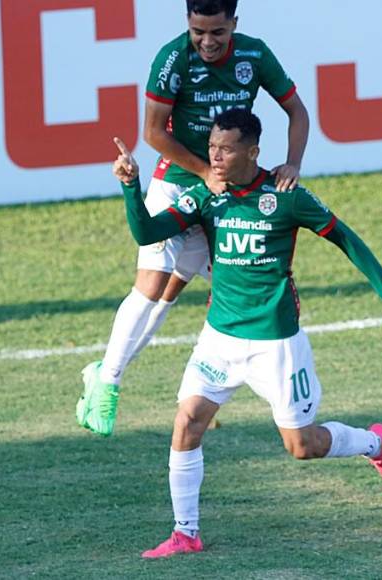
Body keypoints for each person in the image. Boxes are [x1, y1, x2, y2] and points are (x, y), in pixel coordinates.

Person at [112, 108, 382, 558]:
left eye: (226, 149)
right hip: (220, 338)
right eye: (212, 146)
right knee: (187, 422)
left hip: (276, 344)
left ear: (252, 151)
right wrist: (130, 186)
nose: (214, 156)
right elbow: (147, 231)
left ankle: (375, 443)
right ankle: (186, 532)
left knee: (302, 446)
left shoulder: (286, 195)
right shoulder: (206, 195)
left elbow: (345, 237)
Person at [76, 0, 310, 437]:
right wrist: (205, 171)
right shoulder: (171, 58)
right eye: (197, 31)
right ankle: (108, 383)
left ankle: (123, 374)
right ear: (188, 23)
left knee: (172, 293)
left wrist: (292, 163)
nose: (206, 41)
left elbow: (297, 111)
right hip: (179, 182)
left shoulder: (255, 55)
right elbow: (152, 132)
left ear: (234, 25)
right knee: (149, 283)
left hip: (223, 194)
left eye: (217, 32)